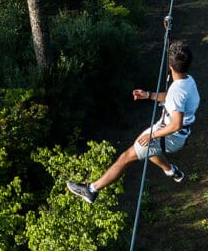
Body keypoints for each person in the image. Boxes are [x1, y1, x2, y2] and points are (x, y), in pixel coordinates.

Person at [68, 41, 199, 204]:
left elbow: (176, 124)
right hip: (171, 130)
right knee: (145, 147)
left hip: (171, 135)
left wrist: (153, 135)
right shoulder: (187, 81)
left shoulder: (177, 92)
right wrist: (149, 95)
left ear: (170, 65)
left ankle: (91, 190)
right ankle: (171, 171)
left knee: (126, 157)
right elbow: (172, 99)